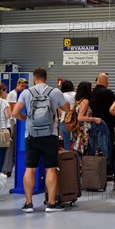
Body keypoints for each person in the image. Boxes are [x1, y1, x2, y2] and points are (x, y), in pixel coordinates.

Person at [12, 67, 70, 213]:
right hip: (50, 135)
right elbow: (67, 109)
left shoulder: (26, 92)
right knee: (50, 168)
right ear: (46, 77)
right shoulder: (55, 92)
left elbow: (15, 112)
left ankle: (28, 203)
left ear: (34, 78)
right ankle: (51, 204)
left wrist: (26, 119)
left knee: (30, 169)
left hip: (31, 135)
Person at [91, 73, 115, 177]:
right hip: (107, 125)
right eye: (108, 80)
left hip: (93, 124)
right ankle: (108, 171)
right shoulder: (108, 92)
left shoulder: (91, 92)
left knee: (95, 148)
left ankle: (96, 170)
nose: (108, 82)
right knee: (108, 148)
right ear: (105, 81)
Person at [72, 81, 103, 156]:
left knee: (79, 150)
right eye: (91, 88)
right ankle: (86, 166)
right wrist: (94, 119)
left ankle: (80, 165)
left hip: (78, 129)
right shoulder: (85, 101)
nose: (92, 90)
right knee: (85, 151)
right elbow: (80, 117)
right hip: (84, 130)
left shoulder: (78, 100)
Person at [58, 79, 76, 150]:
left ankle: (67, 156)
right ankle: (76, 156)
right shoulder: (76, 94)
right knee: (75, 139)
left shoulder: (61, 95)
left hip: (64, 118)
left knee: (66, 140)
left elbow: (59, 107)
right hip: (75, 119)